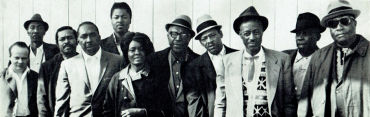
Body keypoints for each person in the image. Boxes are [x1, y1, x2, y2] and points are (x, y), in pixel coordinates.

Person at [213, 6, 297, 117]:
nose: (252, 38)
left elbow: (289, 103)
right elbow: (220, 103)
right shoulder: (226, 61)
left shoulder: (282, 59)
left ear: (262, 32)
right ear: (240, 34)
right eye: (247, 33)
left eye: (256, 32)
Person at [299, 0, 370, 116]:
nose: (339, 27)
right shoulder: (318, 57)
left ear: (355, 23)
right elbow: (304, 102)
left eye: (344, 21)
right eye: (333, 24)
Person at [54, 22, 125, 117]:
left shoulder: (117, 61)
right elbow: (61, 102)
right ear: (78, 41)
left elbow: (123, 98)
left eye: (92, 35)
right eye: (84, 36)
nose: (89, 40)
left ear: (99, 38)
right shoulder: (67, 65)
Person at [147, 15, 201, 117]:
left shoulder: (198, 62)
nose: (178, 38)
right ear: (168, 36)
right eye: (173, 34)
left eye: (183, 34)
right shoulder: (154, 60)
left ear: (189, 38)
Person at [103, 32, 166, 117]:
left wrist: (143, 112)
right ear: (126, 53)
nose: (137, 53)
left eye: (141, 49)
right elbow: (107, 111)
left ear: (146, 51)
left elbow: (166, 111)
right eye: (132, 50)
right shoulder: (117, 78)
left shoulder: (157, 77)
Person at [186, 14, 237, 117]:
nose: (209, 41)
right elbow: (194, 105)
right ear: (200, 42)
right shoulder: (193, 67)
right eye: (204, 38)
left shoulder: (238, 57)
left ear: (221, 34)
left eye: (212, 35)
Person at [37, 26, 79, 117]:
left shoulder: (84, 63)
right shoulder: (47, 67)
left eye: (70, 38)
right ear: (57, 43)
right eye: (62, 39)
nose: (66, 41)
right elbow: (42, 99)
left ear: (77, 41)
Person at [282, 12, 325, 100]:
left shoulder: (325, 60)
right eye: (297, 34)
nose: (300, 37)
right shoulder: (284, 57)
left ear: (317, 37)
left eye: (305, 33)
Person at [0, 42, 38, 117]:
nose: (20, 61)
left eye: (24, 58)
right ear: (10, 57)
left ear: (28, 58)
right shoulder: (1, 76)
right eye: (16, 58)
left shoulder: (36, 77)